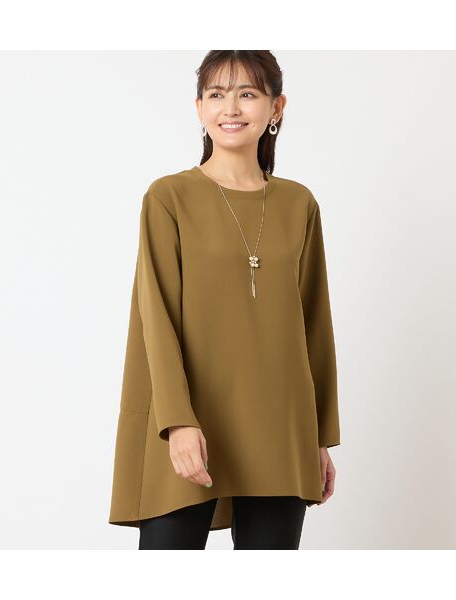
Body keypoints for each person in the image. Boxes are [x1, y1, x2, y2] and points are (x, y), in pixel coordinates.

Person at [109, 50, 341, 550]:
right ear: (199, 108)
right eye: (216, 94)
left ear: (276, 107)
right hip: (189, 418)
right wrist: (177, 422)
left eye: (247, 94)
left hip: (281, 425)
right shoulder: (168, 197)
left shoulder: (298, 203)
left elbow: (314, 324)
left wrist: (319, 437)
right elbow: (157, 319)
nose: (230, 108)